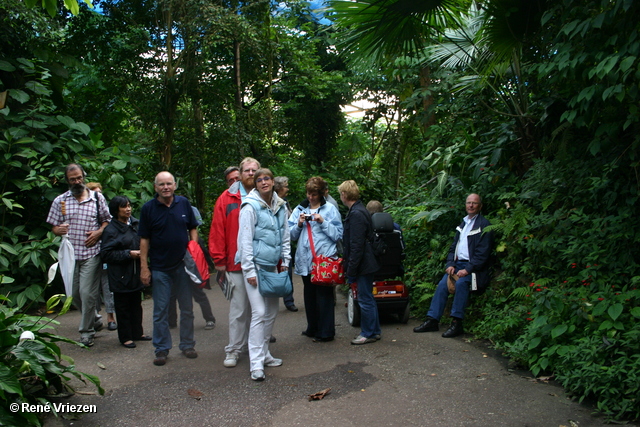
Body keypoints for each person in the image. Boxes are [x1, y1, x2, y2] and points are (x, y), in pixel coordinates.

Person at [139, 171, 199, 366]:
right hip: (159, 267)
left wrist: (194, 249)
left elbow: (192, 227)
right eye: (161, 184)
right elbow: (144, 239)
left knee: (187, 308)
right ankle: (162, 349)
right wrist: (144, 267)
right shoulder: (148, 209)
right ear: (155, 187)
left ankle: (188, 344)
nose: (165, 187)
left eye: (169, 183)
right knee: (160, 311)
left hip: (182, 265)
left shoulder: (183, 204)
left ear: (175, 185)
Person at [47, 164, 111, 347]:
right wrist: (57, 230)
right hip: (70, 255)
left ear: (83, 176)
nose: (77, 182)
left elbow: (107, 221)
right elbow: (53, 226)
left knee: (86, 292)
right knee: (74, 294)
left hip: (92, 253)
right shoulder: (61, 201)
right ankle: (96, 318)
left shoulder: (97, 198)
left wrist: (99, 232)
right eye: (72, 179)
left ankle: (86, 332)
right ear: (67, 181)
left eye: (79, 178)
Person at [413, 193, 494, 338]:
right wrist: (450, 264)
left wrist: (468, 269)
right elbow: (453, 248)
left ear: (480, 206)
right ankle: (432, 320)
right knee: (443, 284)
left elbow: (483, 254)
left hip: (474, 269)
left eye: (474, 203)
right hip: (457, 264)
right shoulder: (462, 224)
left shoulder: (484, 225)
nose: (471, 205)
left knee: (462, 283)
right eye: (468, 203)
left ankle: (457, 323)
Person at [237, 168, 290, 381]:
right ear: (255, 184)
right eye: (259, 180)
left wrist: (285, 261)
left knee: (271, 312)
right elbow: (245, 241)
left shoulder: (280, 205)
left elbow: (285, 235)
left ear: (273, 181)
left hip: (273, 268)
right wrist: (249, 270)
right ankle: (256, 364)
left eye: (267, 178)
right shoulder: (249, 207)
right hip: (256, 268)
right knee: (259, 313)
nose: (263, 182)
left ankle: (265, 353)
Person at [209, 157, 260, 368]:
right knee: (239, 309)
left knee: (259, 310)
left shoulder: (264, 194)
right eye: (246, 170)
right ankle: (233, 349)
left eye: (253, 171)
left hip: (260, 262)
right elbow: (217, 229)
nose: (250, 174)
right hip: (235, 263)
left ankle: (256, 347)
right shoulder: (227, 198)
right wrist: (219, 259)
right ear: (240, 173)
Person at [289, 177, 343, 342]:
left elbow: (338, 234)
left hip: (323, 260)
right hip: (306, 260)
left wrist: (322, 221)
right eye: (308, 193)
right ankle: (312, 327)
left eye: (314, 194)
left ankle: (326, 332)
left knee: (324, 296)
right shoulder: (300, 209)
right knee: (309, 295)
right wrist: (298, 224)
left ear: (321, 194)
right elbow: (290, 235)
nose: (310, 197)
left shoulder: (330, 209)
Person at [100, 196, 151, 348]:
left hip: (135, 272)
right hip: (120, 274)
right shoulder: (110, 230)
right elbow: (106, 254)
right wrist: (128, 254)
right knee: (122, 306)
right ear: (116, 211)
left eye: (129, 206)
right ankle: (125, 337)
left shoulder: (135, 224)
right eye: (124, 207)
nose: (128, 209)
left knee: (136, 304)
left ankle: (138, 333)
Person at [338, 180, 380, 345]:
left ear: (344, 194)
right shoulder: (360, 210)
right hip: (367, 263)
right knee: (368, 297)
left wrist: (351, 269)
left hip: (364, 264)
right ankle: (374, 330)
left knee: (364, 298)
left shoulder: (356, 214)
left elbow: (356, 245)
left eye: (341, 193)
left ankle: (368, 332)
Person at [168, 206, 216, 331]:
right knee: (172, 294)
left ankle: (209, 318)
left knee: (199, 293)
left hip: (192, 269)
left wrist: (207, 268)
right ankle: (171, 321)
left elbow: (203, 254)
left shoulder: (195, 239)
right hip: (176, 267)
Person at [86, 182, 117, 331]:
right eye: (95, 192)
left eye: (100, 192)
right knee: (91, 288)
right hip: (89, 254)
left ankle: (111, 317)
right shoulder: (84, 211)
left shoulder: (106, 214)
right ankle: (94, 317)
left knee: (107, 286)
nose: (99, 196)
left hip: (104, 254)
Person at [274, 176, 297, 312]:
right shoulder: (271, 202)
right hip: (274, 243)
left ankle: (289, 301)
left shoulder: (285, 202)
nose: (288, 189)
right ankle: (271, 301)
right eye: (286, 186)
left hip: (285, 242)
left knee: (286, 271)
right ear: (279, 188)